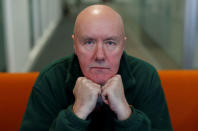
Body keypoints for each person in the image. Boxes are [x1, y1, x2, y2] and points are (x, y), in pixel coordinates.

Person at [20, 4, 173, 131]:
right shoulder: (50, 79)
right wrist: (76, 114)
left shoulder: (146, 77)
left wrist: (126, 114)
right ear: (74, 45)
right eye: (89, 42)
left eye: (110, 43)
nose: (99, 56)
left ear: (123, 46)